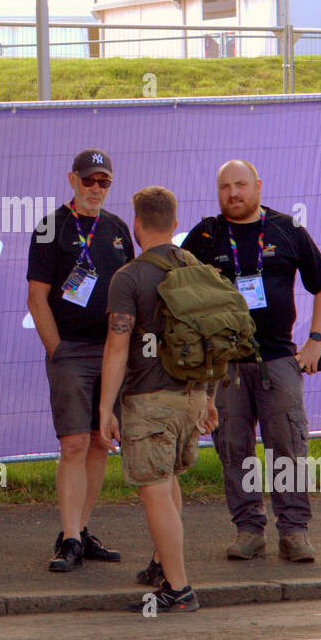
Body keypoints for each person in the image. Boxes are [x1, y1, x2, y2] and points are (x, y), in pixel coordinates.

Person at [181, 160, 321, 563]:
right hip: (224, 368)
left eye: (241, 185)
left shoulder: (287, 229)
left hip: (279, 361)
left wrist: (315, 342)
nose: (233, 194)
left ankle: (294, 532)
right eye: (225, 187)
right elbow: (177, 289)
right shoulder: (204, 235)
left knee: (287, 446)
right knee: (234, 449)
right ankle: (249, 529)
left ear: (258, 186)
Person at [100, 187, 218, 613]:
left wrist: (104, 408)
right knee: (168, 483)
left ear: (136, 224)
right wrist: (208, 396)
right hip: (192, 395)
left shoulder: (129, 277)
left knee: (153, 488)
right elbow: (217, 337)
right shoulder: (198, 268)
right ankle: (163, 567)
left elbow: (116, 348)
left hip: (148, 400)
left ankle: (179, 588)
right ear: (173, 221)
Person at [27, 149, 133, 572]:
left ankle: (83, 531)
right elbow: (37, 299)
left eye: (103, 182)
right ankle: (68, 537)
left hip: (111, 352)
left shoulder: (118, 229)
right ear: (72, 179)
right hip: (70, 349)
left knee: (98, 442)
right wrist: (58, 350)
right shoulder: (52, 226)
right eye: (88, 180)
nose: (95, 189)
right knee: (72, 443)